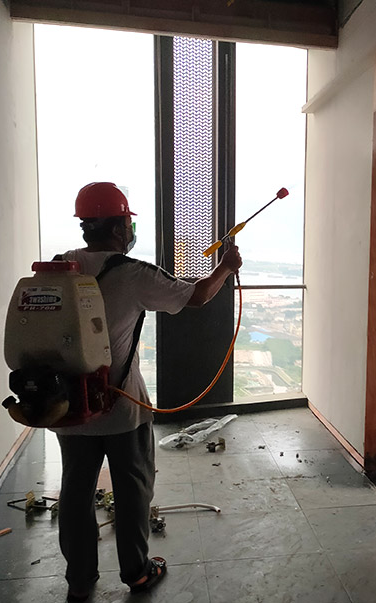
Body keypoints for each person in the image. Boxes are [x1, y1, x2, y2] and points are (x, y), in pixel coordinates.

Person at [51, 182, 242, 601]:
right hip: (122, 408)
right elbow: (198, 296)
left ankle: (79, 581)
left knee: (75, 493)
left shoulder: (60, 267)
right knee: (132, 490)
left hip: (70, 406)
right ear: (118, 227)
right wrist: (226, 267)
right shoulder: (133, 273)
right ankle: (136, 573)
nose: (129, 230)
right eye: (127, 223)